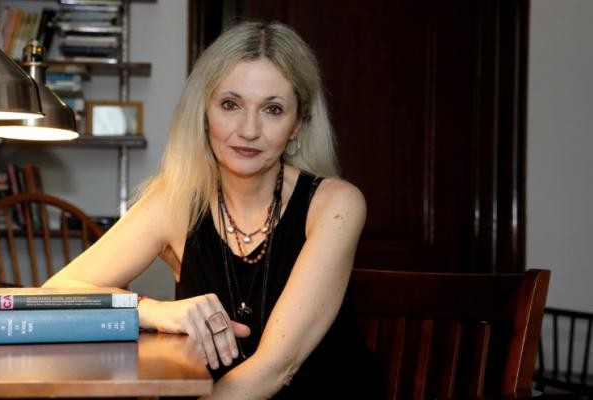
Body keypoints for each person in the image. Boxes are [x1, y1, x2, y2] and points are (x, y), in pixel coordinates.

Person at [44, 21, 385, 399]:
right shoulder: (174, 203)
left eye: (272, 109)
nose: (248, 129)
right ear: (203, 113)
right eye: (230, 104)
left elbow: (276, 366)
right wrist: (153, 310)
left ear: (297, 125)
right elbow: (55, 293)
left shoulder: (335, 205)